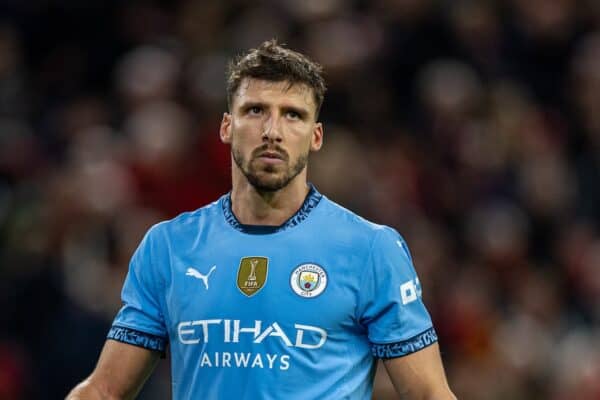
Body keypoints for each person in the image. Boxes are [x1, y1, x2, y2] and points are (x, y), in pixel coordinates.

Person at [67, 39, 456, 400]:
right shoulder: (169, 246)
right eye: (255, 111)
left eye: (293, 115)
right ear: (226, 126)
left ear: (315, 136)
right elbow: (103, 391)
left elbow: (430, 395)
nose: (272, 131)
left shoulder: (370, 250)